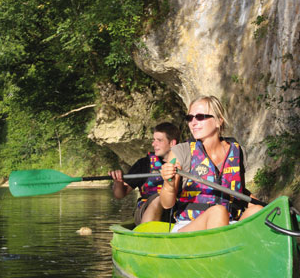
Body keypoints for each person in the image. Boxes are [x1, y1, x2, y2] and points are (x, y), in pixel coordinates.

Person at [159, 96, 262, 232]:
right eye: (190, 118)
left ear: (218, 121)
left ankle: (232, 244)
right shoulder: (181, 151)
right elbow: (167, 204)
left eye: (200, 117)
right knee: (217, 212)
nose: (193, 123)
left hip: (229, 226)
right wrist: (169, 184)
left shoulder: (238, 152)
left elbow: (240, 192)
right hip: (189, 227)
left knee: (258, 211)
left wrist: (271, 208)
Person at [108, 122, 180, 224]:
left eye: (159, 140)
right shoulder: (144, 164)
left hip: (175, 212)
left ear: (172, 143)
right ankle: (147, 232)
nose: (153, 144)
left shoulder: (184, 162)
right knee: (159, 198)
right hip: (145, 211)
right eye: (154, 140)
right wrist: (118, 182)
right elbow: (120, 194)